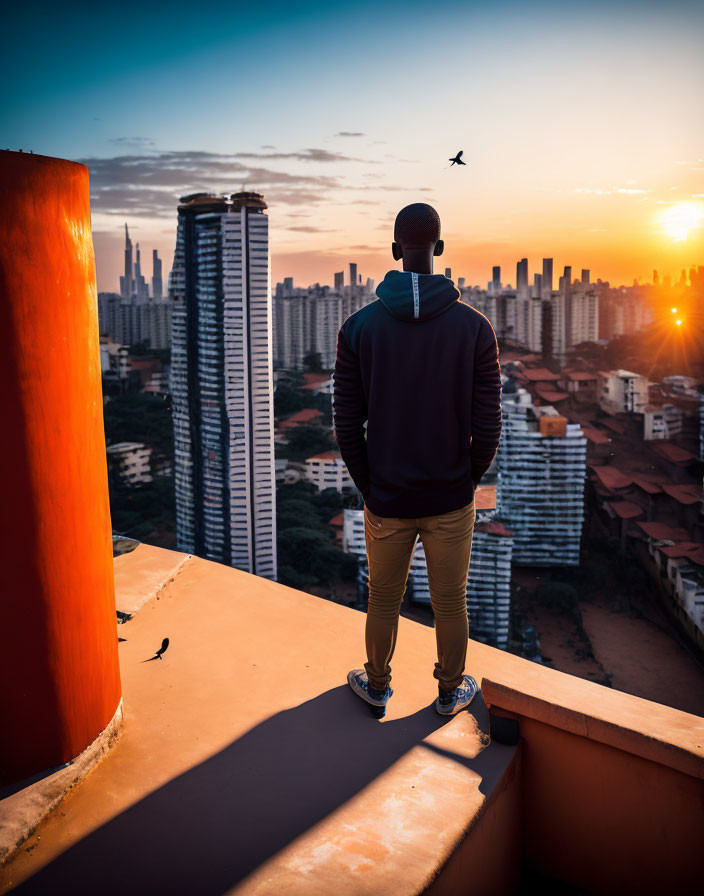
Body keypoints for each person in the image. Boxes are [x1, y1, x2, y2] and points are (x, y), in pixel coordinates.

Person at [333, 202, 502, 717]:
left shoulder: (358, 328)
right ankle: (451, 692)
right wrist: (466, 480)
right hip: (450, 495)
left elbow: (346, 424)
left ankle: (378, 685)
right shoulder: (474, 328)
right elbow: (487, 424)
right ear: (440, 248)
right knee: (451, 603)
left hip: (387, 497)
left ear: (393, 251)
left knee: (383, 599)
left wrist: (369, 485)